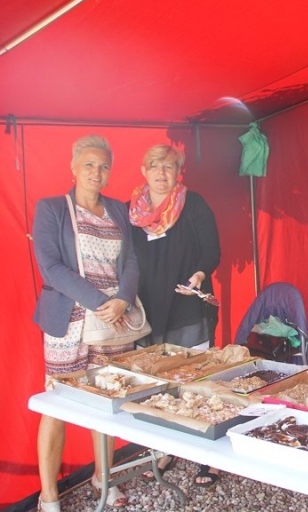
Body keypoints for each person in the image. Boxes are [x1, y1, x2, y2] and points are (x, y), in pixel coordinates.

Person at [32, 135, 138, 511]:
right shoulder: (51, 209)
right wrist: (101, 302)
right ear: (74, 167)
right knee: (56, 406)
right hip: (70, 324)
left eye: (104, 166)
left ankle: (102, 479)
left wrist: (123, 298)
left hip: (113, 323)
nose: (97, 172)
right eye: (89, 164)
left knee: (107, 401)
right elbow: (50, 266)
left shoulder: (119, 210)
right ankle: (48, 496)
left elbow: (132, 260)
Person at [128, 144, 221, 487]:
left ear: (178, 172)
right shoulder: (131, 212)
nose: (161, 173)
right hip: (149, 310)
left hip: (186, 305)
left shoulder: (193, 204)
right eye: (154, 166)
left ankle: (207, 456)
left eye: (168, 167)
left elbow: (212, 250)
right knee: (159, 383)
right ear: (144, 170)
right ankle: (165, 448)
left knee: (198, 379)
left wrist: (199, 274)